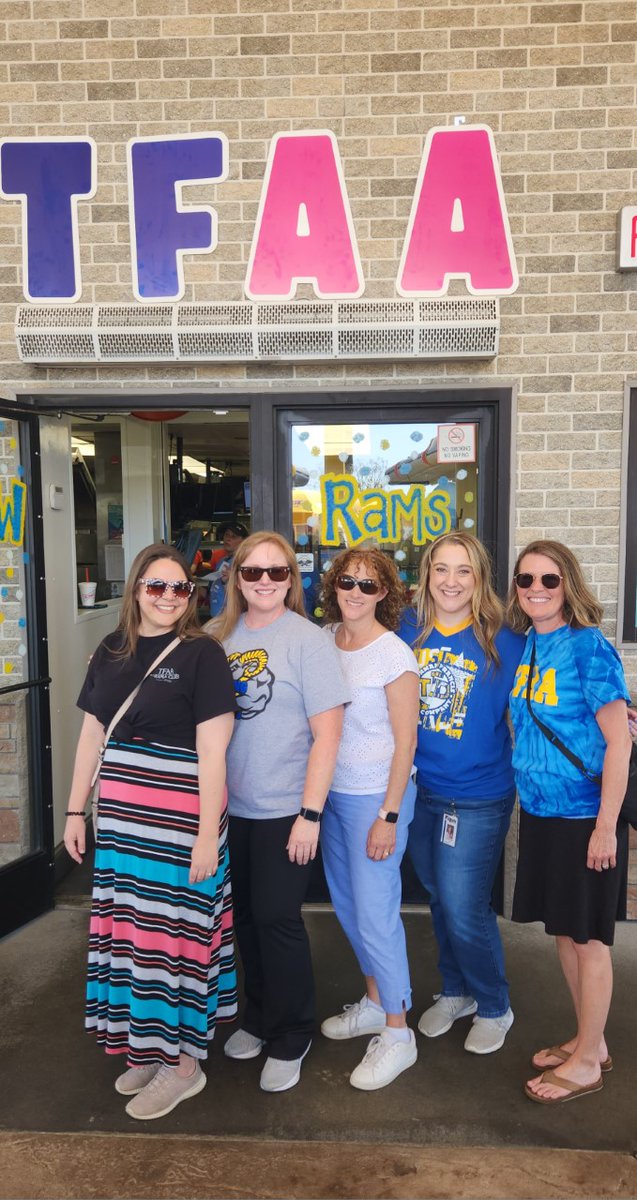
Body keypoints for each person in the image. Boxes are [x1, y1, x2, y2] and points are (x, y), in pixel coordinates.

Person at [63, 542, 238, 1120]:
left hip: (180, 824)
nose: (168, 596)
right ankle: (148, 1045)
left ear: (192, 595)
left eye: (179, 587)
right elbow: (91, 736)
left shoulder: (202, 654)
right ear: (136, 589)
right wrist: (74, 812)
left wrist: (207, 835)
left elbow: (213, 753)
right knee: (133, 936)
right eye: (156, 585)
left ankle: (183, 1066)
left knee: (173, 939)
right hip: (121, 825)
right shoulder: (110, 650)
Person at [209, 531, 349, 1093]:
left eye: (276, 572)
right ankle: (260, 1015)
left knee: (277, 917)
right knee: (244, 918)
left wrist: (309, 815)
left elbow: (328, 736)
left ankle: (292, 1032)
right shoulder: (216, 637)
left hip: (285, 809)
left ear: (291, 579)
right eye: (252, 571)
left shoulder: (308, 641)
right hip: (230, 809)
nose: (264, 581)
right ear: (236, 578)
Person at [506, 539, 632, 1104]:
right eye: (526, 580)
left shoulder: (588, 646)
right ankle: (590, 1040)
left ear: (568, 584)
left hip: (585, 816)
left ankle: (585, 1066)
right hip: (541, 814)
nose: (536, 589)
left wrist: (606, 826)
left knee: (589, 940)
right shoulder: (531, 643)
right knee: (563, 932)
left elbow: (619, 744)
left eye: (549, 580)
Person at [398, 532, 525, 1054]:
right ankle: (456, 991)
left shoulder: (506, 639)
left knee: (463, 905)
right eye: (442, 569)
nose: (451, 581)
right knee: (439, 899)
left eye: (464, 570)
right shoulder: (406, 629)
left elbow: (546, 698)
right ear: (427, 574)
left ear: (479, 578)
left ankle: (494, 1004)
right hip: (419, 792)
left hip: (477, 796)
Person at [318, 548, 420, 1090]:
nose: (355, 592)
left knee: (377, 914)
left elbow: (407, 743)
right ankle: (377, 1002)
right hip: (331, 796)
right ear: (334, 585)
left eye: (368, 584)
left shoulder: (394, 654)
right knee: (349, 906)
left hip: (376, 799)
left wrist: (389, 814)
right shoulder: (324, 640)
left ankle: (399, 1034)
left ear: (384, 593)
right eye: (347, 581)